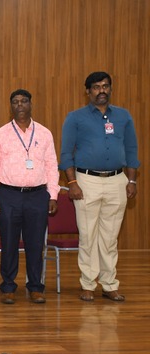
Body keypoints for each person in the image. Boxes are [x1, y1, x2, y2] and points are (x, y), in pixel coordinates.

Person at [60, 71, 140, 303]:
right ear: (88, 91)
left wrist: (132, 180)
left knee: (110, 238)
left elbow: (131, 150)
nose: (101, 90)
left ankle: (109, 284)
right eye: (96, 87)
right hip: (86, 181)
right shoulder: (75, 118)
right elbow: (66, 153)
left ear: (110, 89)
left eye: (105, 86)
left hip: (117, 181)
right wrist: (72, 183)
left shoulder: (123, 116)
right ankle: (88, 284)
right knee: (88, 236)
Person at [0, 89, 60, 304]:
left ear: (30, 104)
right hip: (9, 195)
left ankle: (35, 287)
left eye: (24, 101)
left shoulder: (44, 133)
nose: (20, 105)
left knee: (35, 243)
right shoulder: (0, 135)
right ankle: (8, 287)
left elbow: (52, 166)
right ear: (11, 107)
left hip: (38, 195)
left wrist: (53, 195)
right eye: (15, 102)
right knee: (9, 243)